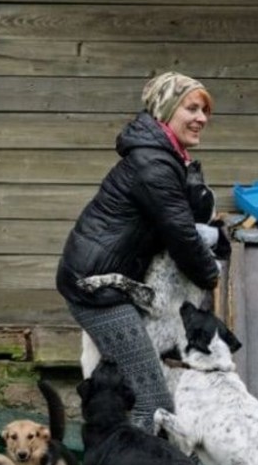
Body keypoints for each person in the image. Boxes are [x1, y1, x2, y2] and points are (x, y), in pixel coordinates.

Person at [57, 70, 229, 433]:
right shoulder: (154, 164)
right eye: (192, 109)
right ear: (166, 111)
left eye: (205, 111)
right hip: (95, 288)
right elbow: (181, 235)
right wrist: (212, 275)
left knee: (138, 391)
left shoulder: (165, 157)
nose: (201, 118)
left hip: (108, 280)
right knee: (153, 399)